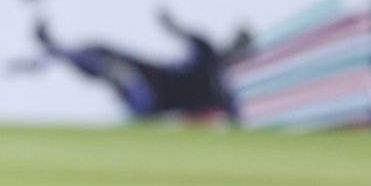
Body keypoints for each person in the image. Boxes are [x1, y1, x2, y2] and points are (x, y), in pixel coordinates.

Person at [29, 9, 251, 122]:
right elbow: (177, 29)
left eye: (238, 46)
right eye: (235, 42)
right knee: (102, 56)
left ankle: (56, 49)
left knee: (110, 64)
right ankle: (57, 49)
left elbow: (235, 116)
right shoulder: (207, 51)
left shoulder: (220, 85)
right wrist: (169, 22)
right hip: (154, 79)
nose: (232, 47)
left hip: (154, 98)